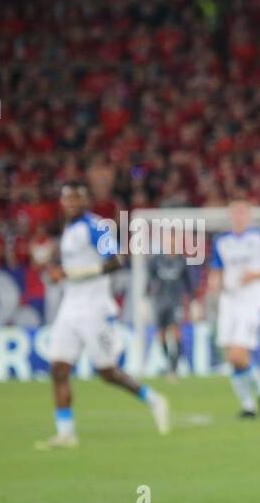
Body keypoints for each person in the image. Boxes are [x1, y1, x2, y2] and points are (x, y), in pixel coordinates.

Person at [39, 183, 170, 449]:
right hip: (70, 305)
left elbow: (116, 261)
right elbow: (73, 266)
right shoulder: (68, 230)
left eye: (77, 197)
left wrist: (70, 274)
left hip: (94, 308)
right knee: (59, 368)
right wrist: (59, 272)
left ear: (87, 200)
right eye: (67, 198)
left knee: (107, 372)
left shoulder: (97, 226)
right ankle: (66, 433)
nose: (72, 202)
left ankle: (153, 399)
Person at [208, 199, 260, 418]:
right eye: (235, 213)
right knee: (231, 356)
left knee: (239, 354)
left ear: (249, 216)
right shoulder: (221, 241)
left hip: (253, 300)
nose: (239, 216)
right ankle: (249, 406)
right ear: (230, 216)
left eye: (243, 212)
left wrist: (255, 275)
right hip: (229, 300)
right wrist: (214, 284)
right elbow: (216, 268)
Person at [148, 248, 194, 381]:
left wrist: (190, 302)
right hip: (160, 303)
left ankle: (174, 367)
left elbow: (189, 285)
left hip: (176, 302)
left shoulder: (182, 261)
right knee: (161, 335)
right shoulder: (156, 261)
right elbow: (149, 281)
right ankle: (169, 364)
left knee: (176, 333)